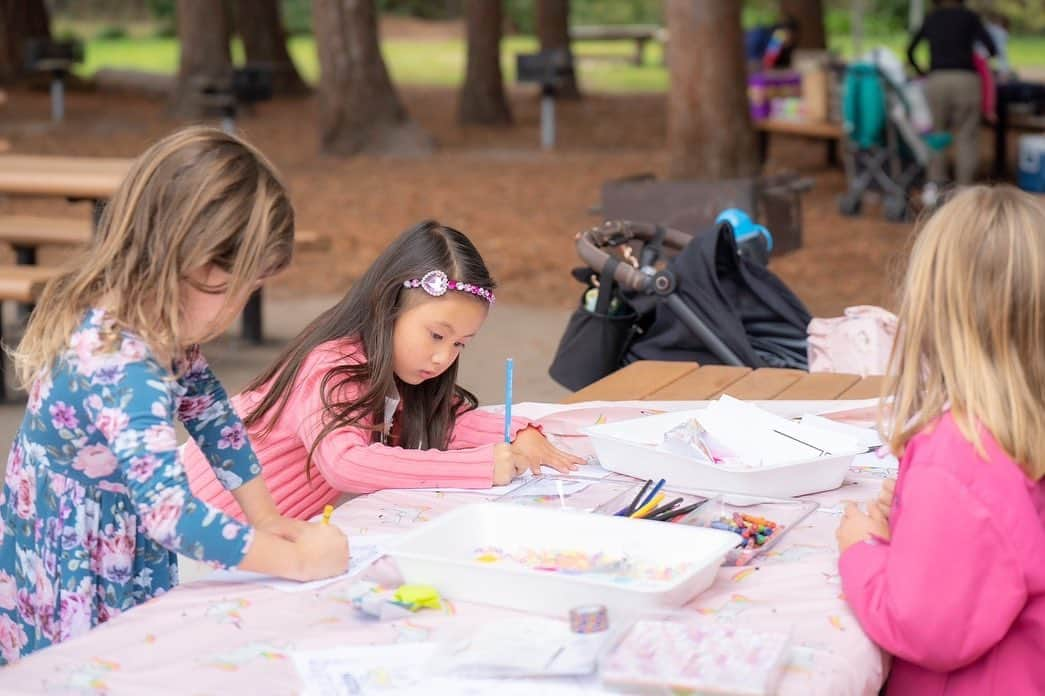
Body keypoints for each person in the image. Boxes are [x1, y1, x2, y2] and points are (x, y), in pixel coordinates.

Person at [0, 127, 349, 665]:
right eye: (245, 287)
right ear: (199, 263)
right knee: (96, 671)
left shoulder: (156, 322)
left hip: (112, 532)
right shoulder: (122, 360)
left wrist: (265, 518)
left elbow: (212, 415)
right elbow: (170, 515)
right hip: (77, 556)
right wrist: (295, 562)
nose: (241, 305)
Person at [182, 221, 582, 522]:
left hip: (259, 536)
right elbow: (346, 463)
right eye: (437, 335)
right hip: (201, 535)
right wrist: (479, 466)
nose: (445, 358)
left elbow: (444, 418)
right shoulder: (333, 365)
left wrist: (517, 432)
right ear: (388, 305)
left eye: (460, 344)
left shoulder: (401, 370)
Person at [836, 186, 1045, 695]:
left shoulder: (961, 452)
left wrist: (860, 550)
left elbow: (924, 627)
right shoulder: (1022, 428)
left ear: (931, 311)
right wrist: (917, 518)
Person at [906, 0, 997, 185]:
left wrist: (922, 71)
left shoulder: (932, 18)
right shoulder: (970, 17)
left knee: (936, 136)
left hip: (937, 79)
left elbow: (910, 50)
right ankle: (964, 190)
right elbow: (992, 49)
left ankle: (936, 188)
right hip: (966, 79)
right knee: (967, 137)